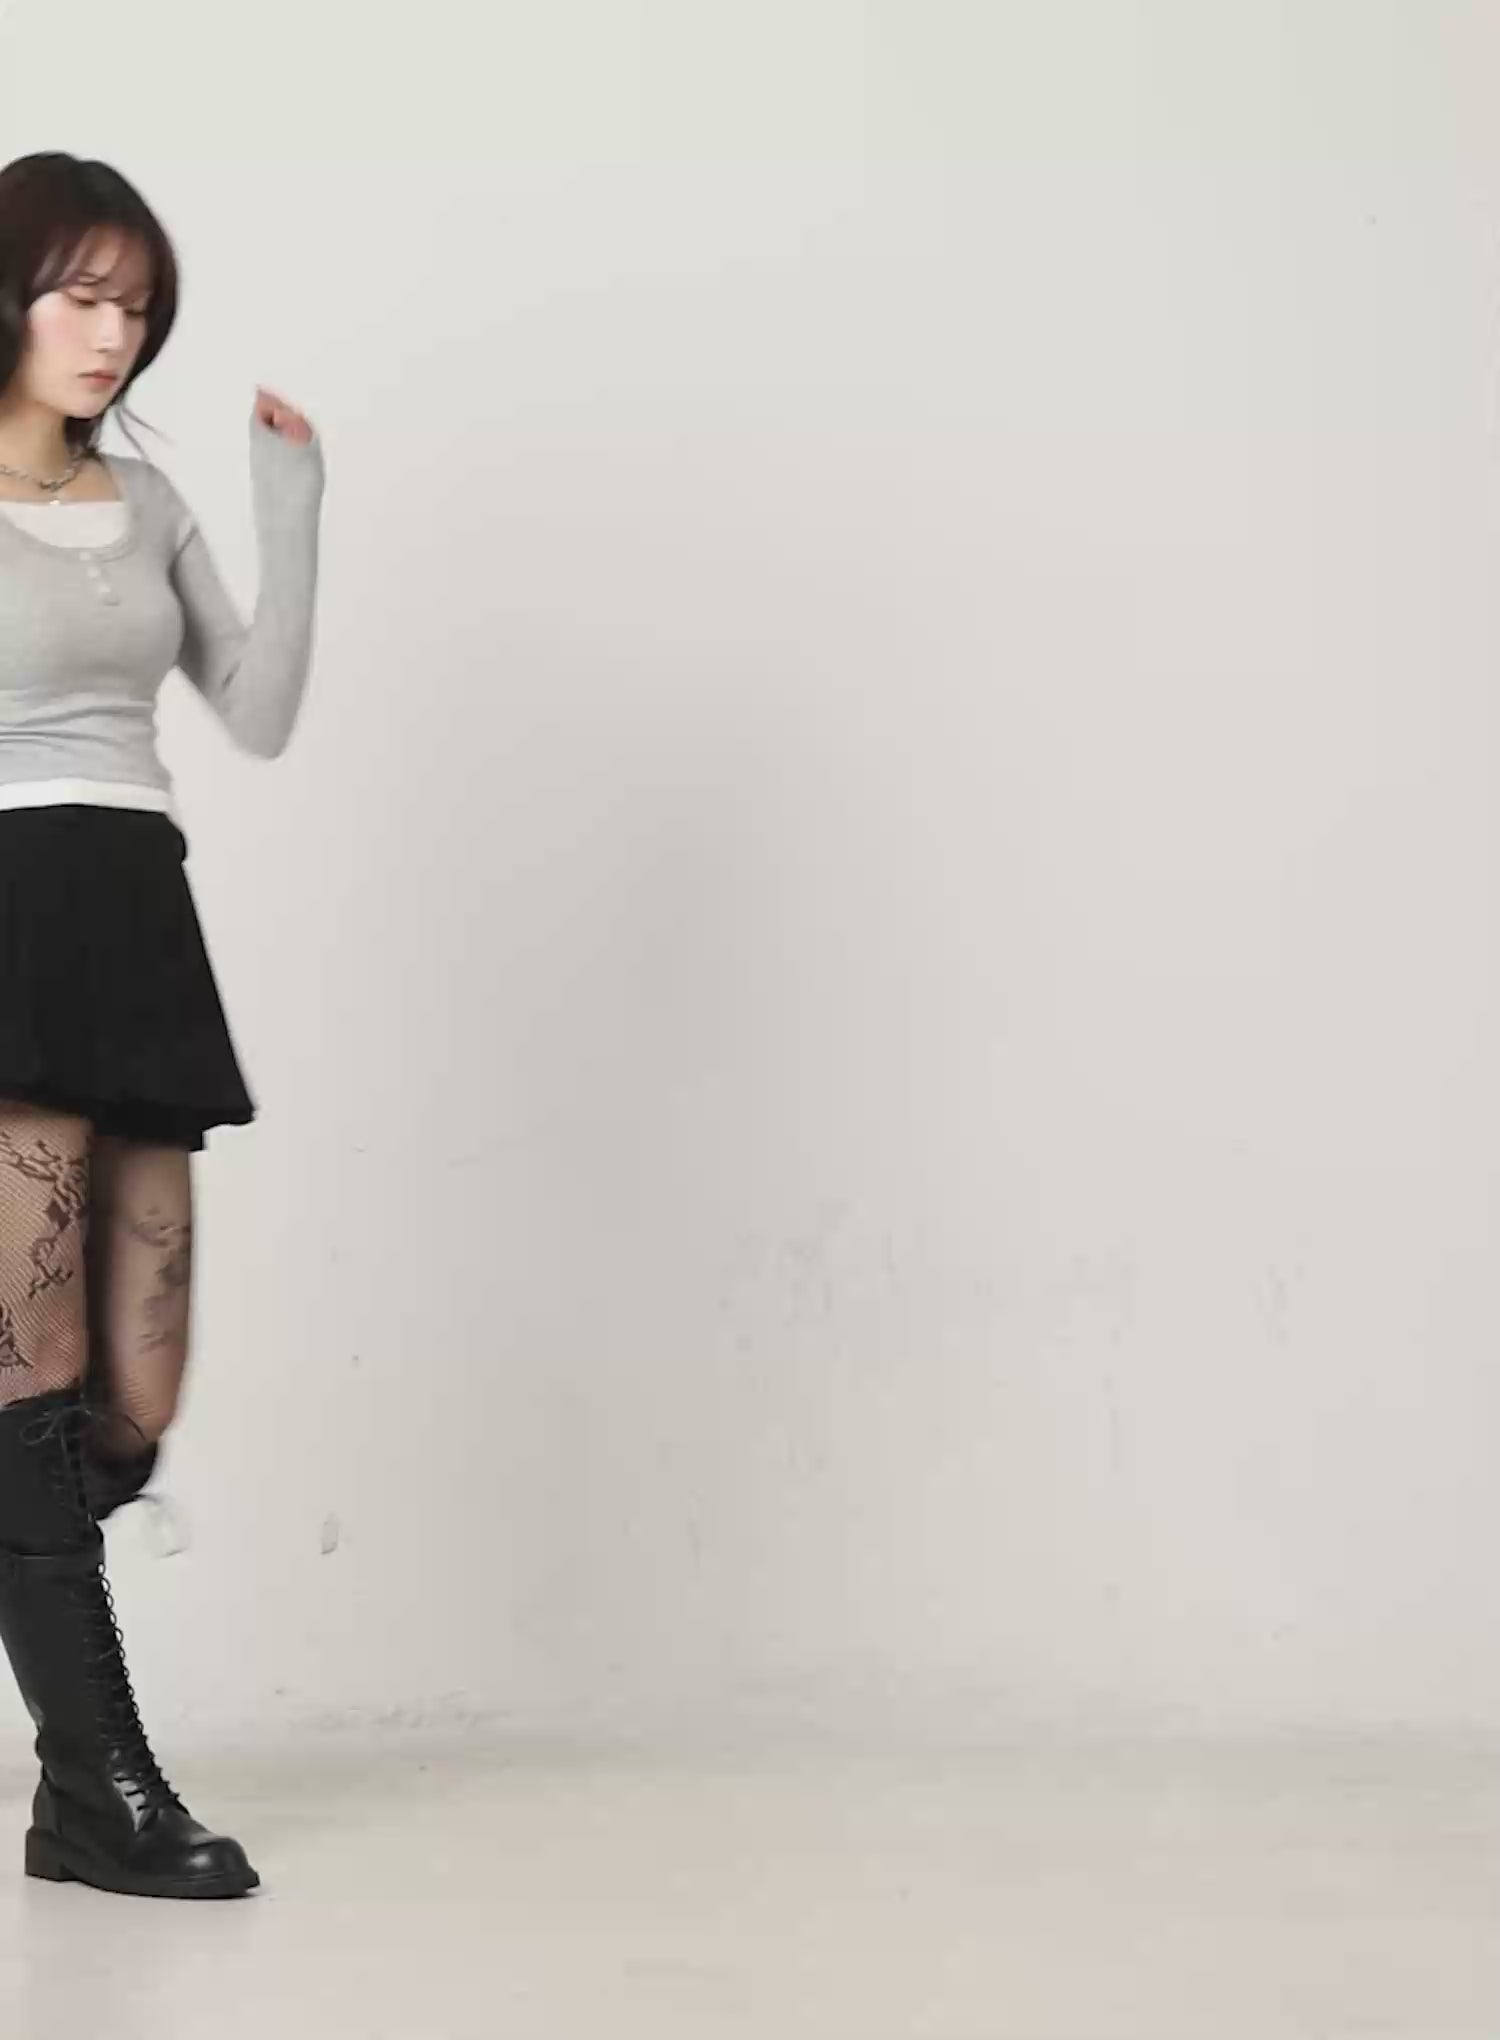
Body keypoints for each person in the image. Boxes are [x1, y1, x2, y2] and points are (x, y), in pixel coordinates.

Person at [0, 150, 325, 1899]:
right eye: (80, 294)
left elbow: (252, 711)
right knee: (34, 1372)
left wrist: (294, 506)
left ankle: (36, 1568)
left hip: (137, 919)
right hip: (7, 918)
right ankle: (98, 1792)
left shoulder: (142, 500)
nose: (112, 331)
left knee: (131, 1397)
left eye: (134, 304)